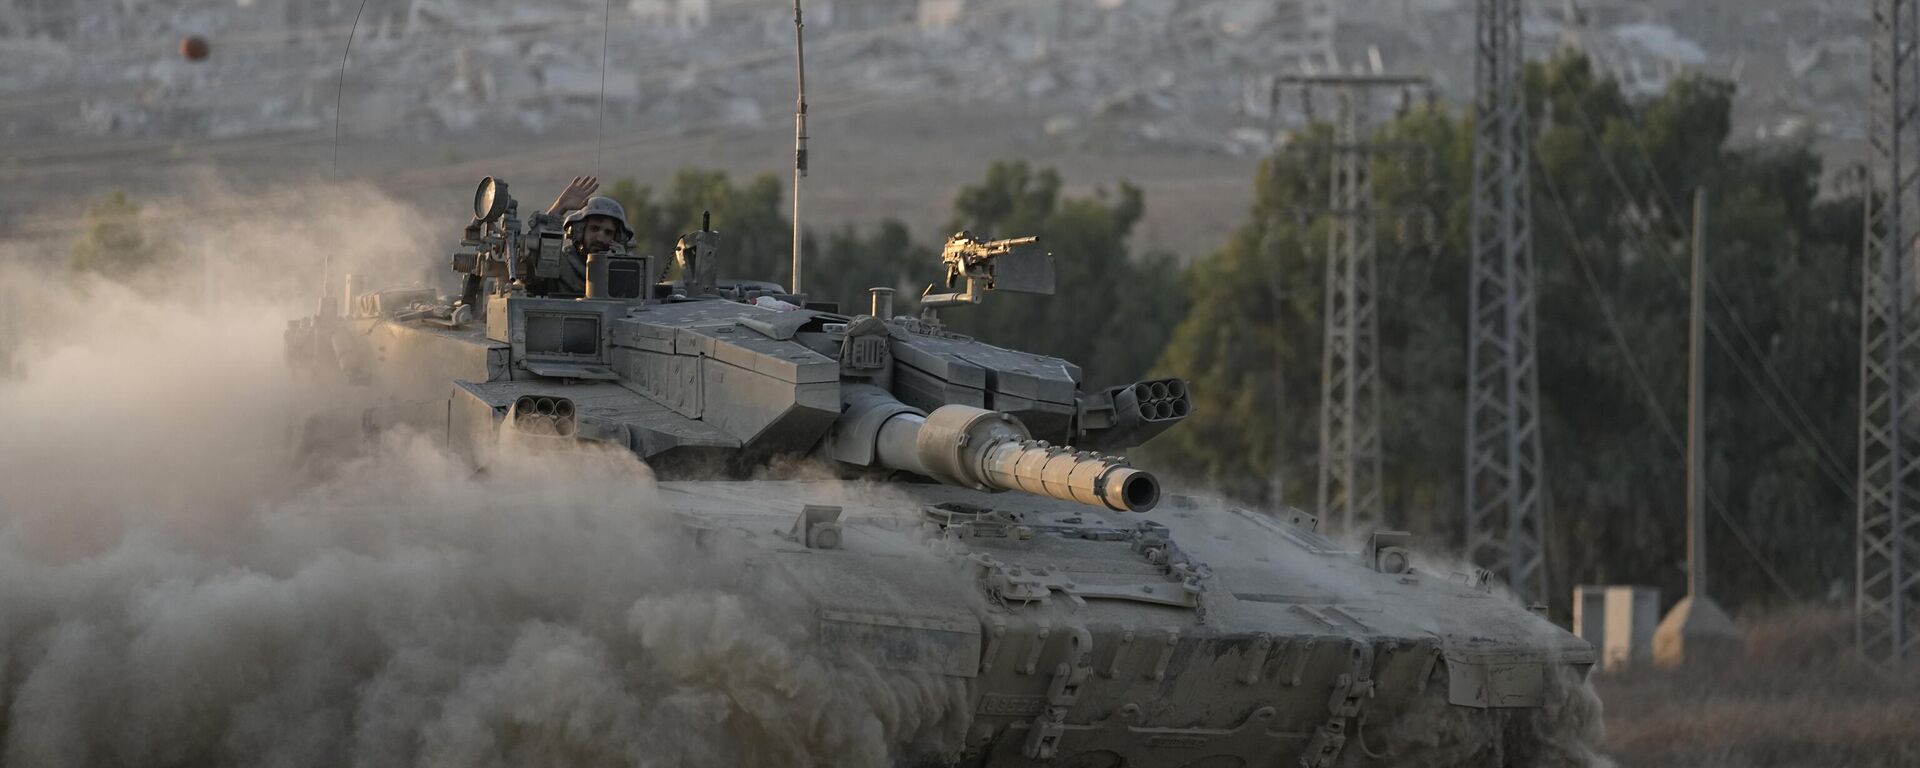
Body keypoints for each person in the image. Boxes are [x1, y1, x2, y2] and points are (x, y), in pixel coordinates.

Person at [529, 176, 633, 296]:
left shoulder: (627, 269)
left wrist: (621, 266)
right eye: (594, 228)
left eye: (608, 233)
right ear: (579, 231)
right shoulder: (560, 263)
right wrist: (559, 207)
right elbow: (532, 261)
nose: (600, 238)